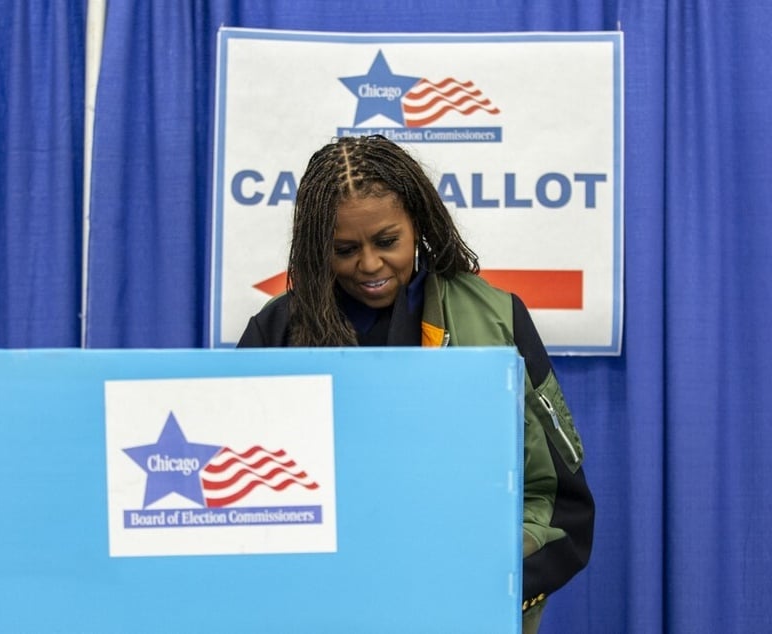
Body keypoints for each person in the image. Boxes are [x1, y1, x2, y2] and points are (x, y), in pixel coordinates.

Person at [237, 134, 594, 632]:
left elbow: (557, 502)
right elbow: (241, 508)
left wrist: (486, 578)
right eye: (344, 249)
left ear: (418, 225)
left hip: (459, 608)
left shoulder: (495, 320)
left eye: (387, 241)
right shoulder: (276, 333)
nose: (368, 264)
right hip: (319, 610)